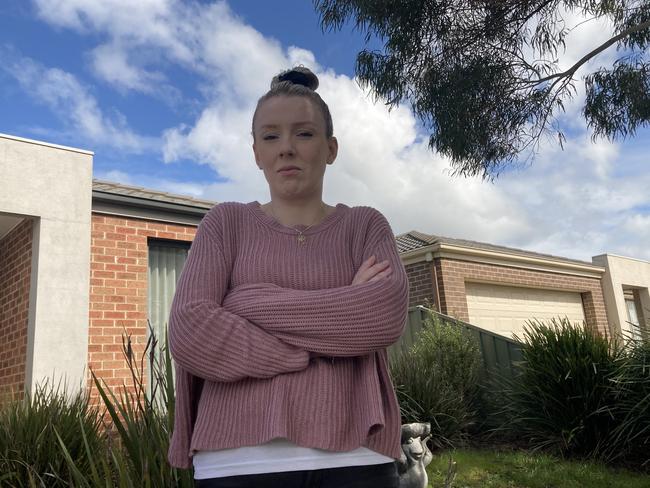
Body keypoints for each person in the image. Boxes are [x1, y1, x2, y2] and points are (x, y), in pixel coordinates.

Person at [167, 66, 409, 488]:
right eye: (271, 136)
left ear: (330, 148)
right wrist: (336, 315)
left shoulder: (365, 226)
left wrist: (243, 302)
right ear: (256, 152)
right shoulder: (225, 223)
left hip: (356, 457)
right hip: (235, 463)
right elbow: (190, 330)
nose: (286, 149)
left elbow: (382, 317)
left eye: (304, 133)